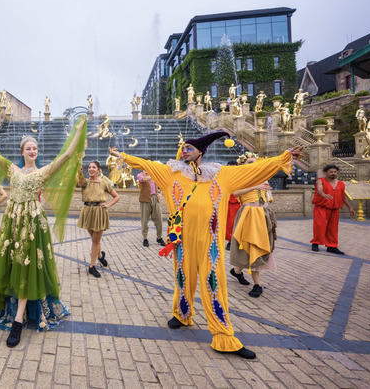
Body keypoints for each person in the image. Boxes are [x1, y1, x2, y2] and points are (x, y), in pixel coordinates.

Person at [110, 133, 303, 360]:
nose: (184, 151)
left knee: (214, 285)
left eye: (189, 147)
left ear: (201, 151)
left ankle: (223, 335)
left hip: (210, 242)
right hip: (181, 241)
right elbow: (146, 164)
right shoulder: (170, 172)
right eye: (183, 147)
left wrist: (284, 157)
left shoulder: (221, 175)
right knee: (183, 278)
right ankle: (182, 314)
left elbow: (253, 171)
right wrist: (122, 155)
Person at [0, 116, 86, 348]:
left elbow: (67, 155)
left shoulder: (43, 172)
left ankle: (18, 321)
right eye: (29, 148)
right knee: (11, 263)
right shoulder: (12, 169)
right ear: (22, 152)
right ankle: (10, 309)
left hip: (31, 225)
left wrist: (78, 131)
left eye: (35, 148)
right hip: (12, 223)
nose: (33, 150)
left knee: (26, 266)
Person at [228, 152, 278, 298]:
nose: (253, 164)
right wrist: (255, 186)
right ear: (242, 164)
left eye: (254, 162)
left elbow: (268, 198)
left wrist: (266, 193)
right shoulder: (241, 177)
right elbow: (235, 193)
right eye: (249, 162)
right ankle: (257, 284)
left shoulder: (262, 177)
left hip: (262, 214)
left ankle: (236, 271)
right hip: (249, 214)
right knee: (252, 245)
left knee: (257, 246)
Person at [77, 161, 120, 278]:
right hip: (87, 211)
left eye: (93, 167)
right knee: (94, 238)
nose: (91, 169)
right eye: (89, 167)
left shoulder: (104, 183)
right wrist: (79, 173)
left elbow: (117, 196)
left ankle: (91, 266)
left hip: (99, 212)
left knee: (95, 241)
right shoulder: (85, 182)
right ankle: (100, 255)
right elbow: (80, 182)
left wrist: (108, 205)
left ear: (98, 170)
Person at [310, 165, 355, 254]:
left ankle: (332, 246)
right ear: (326, 172)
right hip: (321, 207)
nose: (333, 173)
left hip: (334, 209)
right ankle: (316, 243)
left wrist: (350, 208)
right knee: (319, 226)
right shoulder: (321, 180)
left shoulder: (341, 183)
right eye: (331, 172)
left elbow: (343, 197)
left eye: (335, 172)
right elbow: (319, 189)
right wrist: (323, 194)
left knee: (333, 228)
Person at [136, 170, 164, 247]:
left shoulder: (155, 174)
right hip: (145, 199)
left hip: (155, 198)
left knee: (159, 219)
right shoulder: (140, 175)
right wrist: (154, 175)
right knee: (144, 220)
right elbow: (144, 179)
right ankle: (145, 238)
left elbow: (164, 185)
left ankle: (159, 237)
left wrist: (161, 194)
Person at [224, 161, 241, 251]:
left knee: (238, 221)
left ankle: (237, 240)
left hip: (238, 201)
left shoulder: (240, 177)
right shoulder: (224, 177)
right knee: (229, 222)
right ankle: (230, 240)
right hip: (228, 201)